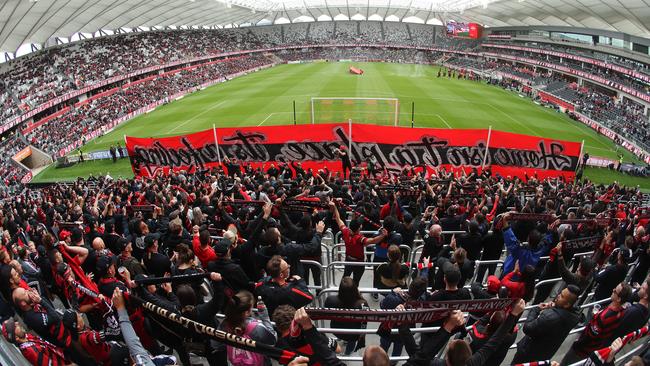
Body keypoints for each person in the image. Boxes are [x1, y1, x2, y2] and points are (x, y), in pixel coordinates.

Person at [398, 299, 526, 366]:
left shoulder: (435, 364)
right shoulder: (473, 363)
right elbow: (493, 342)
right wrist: (512, 315)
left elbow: (417, 355)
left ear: (447, 357)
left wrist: (402, 323)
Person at [562, 282, 633, 365]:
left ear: (619, 299)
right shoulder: (621, 312)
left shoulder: (604, 317)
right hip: (594, 347)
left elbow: (590, 335)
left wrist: (577, 344)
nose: (613, 290)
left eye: (615, 291)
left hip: (582, 350)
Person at [512, 285, 582, 364]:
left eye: (562, 296)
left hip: (528, 353)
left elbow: (527, 328)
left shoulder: (549, 317)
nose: (558, 296)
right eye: (560, 293)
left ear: (567, 305)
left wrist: (536, 309)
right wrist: (555, 307)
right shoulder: (575, 316)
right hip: (544, 355)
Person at [331, 201, 387, 285]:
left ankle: (343, 291)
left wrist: (335, 207)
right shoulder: (359, 238)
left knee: (345, 278)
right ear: (358, 229)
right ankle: (353, 293)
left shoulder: (345, 232)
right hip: (359, 263)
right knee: (356, 281)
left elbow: (338, 219)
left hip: (348, 260)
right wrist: (383, 235)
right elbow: (372, 241)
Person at [221, 290, 276, 366]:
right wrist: (264, 316)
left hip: (236, 362)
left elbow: (216, 345)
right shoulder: (256, 327)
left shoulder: (224, 324)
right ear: (246, 312)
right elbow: (272, 340)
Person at [324, 276, 369, 355]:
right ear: (355, 289)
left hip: (336, 329)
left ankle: (343, 342)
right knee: (351, 343)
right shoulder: (362, 304)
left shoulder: (330, 300)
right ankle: (347, 353)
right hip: (353, 333)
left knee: (343, 336)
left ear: (340, 289)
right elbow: (365, 321)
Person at [2, 318, 71, 366]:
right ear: (16, 338)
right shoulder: (30, 351)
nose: (17, 323)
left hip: (64, 358)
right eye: (15, 326)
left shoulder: (27, 337)